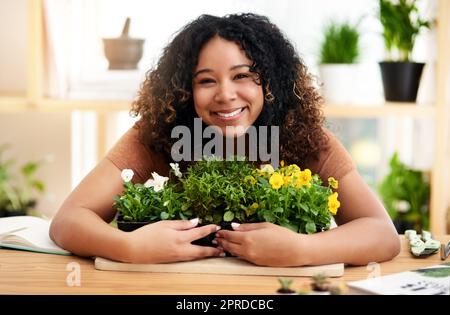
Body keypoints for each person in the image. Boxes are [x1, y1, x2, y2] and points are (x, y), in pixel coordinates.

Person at [50, 13, 400, 266]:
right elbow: (68, 221)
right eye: (206, 81)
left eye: (242, 76)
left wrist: (301, 249)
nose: (226, 95)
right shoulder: (157, 133)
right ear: (185, 90)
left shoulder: (302, 136)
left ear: (270, 83)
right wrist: (130, 247)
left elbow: (382, 234)